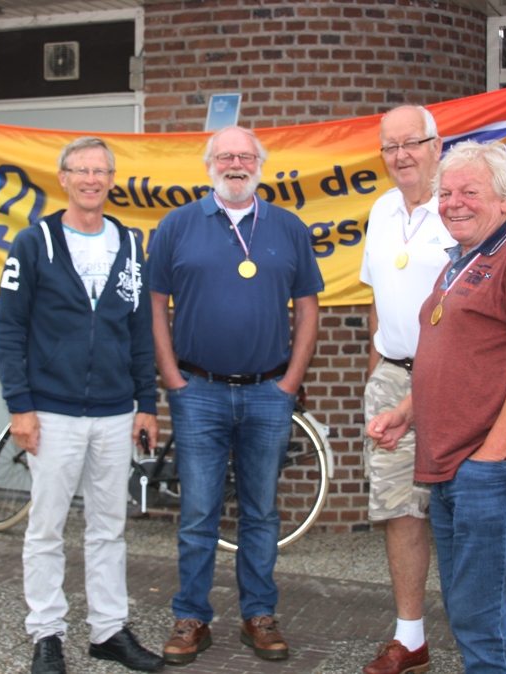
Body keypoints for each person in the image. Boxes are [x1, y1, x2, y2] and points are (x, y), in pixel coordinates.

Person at [367, 140, 506, 673]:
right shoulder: (462, 261)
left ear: (505, 199)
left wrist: (490, 458)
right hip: (453, 464)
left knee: (478, 616)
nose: (454, 202)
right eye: (447, 193)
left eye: (470, 192)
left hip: (490, 467)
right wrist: (406, 411)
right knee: (465, 607)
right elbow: (454, 355)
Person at [148, 126, 324, 665]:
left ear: (260, 164)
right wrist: (172, 378)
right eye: (225, 155)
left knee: (261, 512)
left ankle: (259, 615)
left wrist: (290, 381)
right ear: (209, 164)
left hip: (268, 393)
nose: (236, 164)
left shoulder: (287, 227)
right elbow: (155, 305)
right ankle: (191, 618)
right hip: (197, 392)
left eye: (245, 156)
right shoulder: (177, 224)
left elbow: (308, 308)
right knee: (198, 511)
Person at [0, 137, 164, 674]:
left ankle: (108, 630)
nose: (91, 179)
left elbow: (140, 330)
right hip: (52, 413)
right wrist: (20, 406)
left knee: (109, 527)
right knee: (46, 528)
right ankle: (47, 633)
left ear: (112, 180)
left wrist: (145, 402)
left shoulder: (131, 244)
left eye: (100, 171)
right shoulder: (34, 242)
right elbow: (9, 329)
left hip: (116, 412)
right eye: (81, 170)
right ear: (63, 178)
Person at [358, 105, 456, 674]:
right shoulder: (381, 209)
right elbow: (379, 298)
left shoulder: (460, 206)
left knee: (463, 510)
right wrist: (378, 372)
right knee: (399, 509)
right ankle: (410, 639)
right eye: (390, 146)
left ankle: (481, 638)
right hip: (394, 375)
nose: (401, 155)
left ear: (436, 145)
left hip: (453, 379)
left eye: (412, 143)